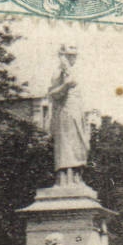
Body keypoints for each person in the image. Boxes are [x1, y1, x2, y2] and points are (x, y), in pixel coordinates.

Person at [45, 44, 89, 185]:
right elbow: (52, 94)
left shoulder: (72, 72)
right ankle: (66, 178)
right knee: (67, 145)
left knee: (80, 145)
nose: (73, 58)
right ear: (64, 56)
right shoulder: (58, 72)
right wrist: (66, 85)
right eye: (70, 55)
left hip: (77, 112)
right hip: (65, 112)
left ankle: (77, 177)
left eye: (75, 55)